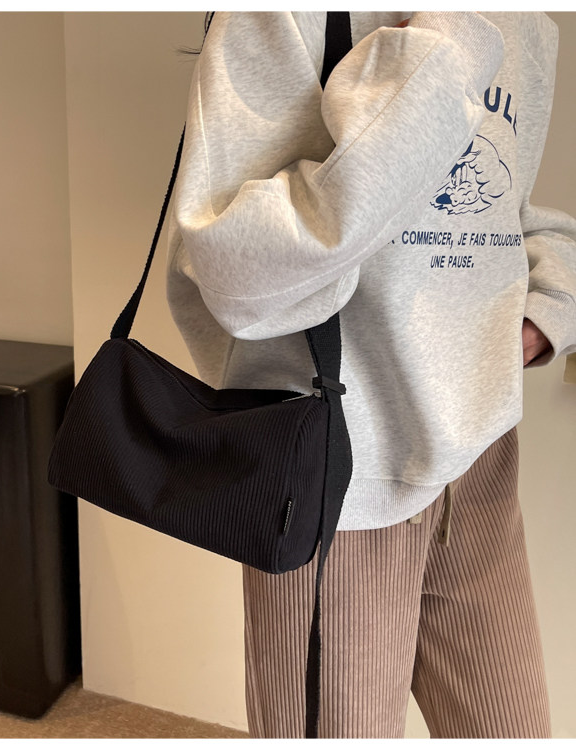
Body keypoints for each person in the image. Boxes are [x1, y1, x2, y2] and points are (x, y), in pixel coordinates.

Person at [164, 11, 576, 739]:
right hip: (338, 474)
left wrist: (549, 309)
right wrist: (443, 49)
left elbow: (501, 217)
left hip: (478, 458)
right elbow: (236, 273)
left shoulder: (526, 23)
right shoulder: (283, 16)